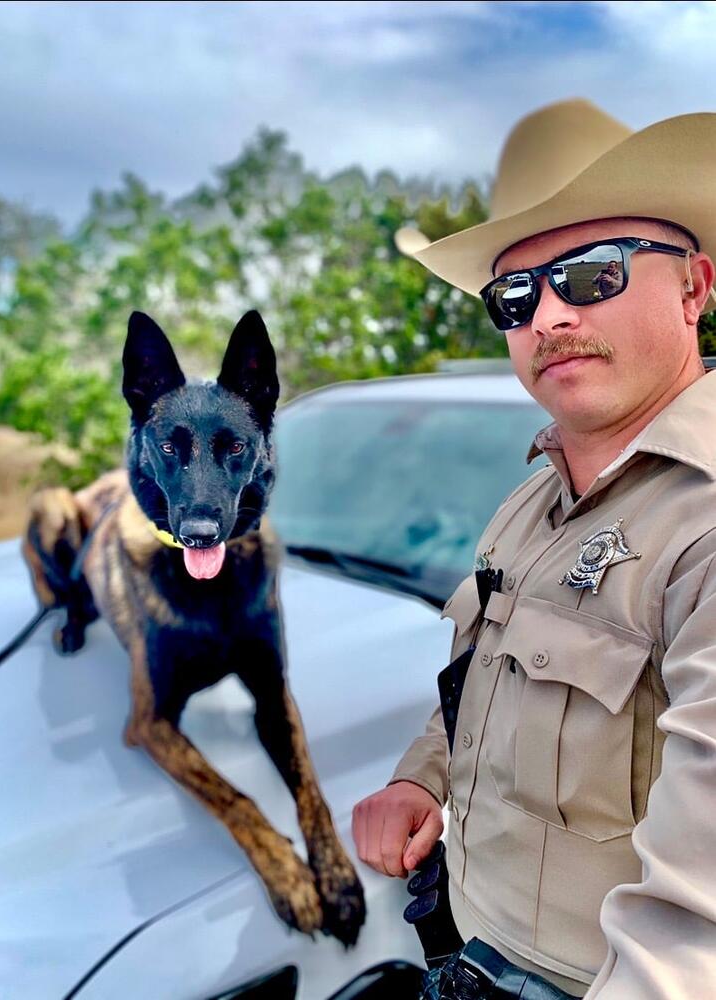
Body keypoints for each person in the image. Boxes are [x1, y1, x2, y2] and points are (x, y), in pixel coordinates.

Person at [353, 99, 716, 998]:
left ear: (693, 288)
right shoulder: (530, 500)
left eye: (590, 274)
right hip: (466, 946)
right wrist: (419, 781)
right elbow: (478, 685)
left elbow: (692, 930)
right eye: (513, 295)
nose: (547, 314)